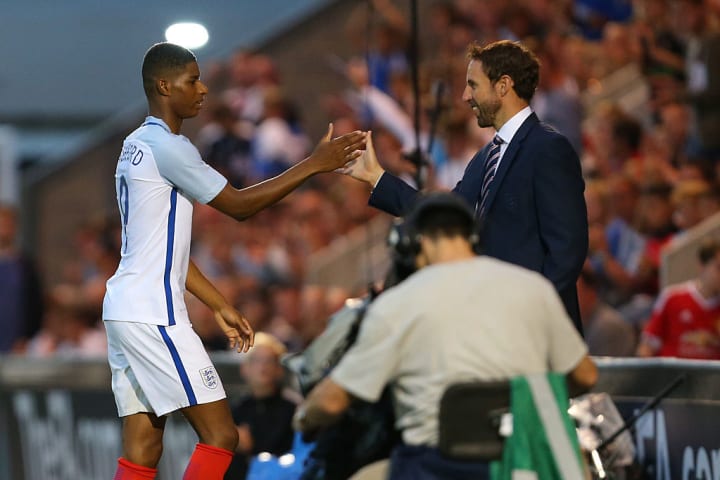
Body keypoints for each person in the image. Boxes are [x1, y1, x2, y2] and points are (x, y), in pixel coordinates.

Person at [102, 42, 365, 480]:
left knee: (144, 447)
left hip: (123, 309)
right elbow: (240, 205)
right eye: (192, 80)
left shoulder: (134, 145)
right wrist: (314, 165)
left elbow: (162, 252)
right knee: (222, 436)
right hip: (153, 314)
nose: (203, 89)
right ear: (165, 86)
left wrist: (219, 304)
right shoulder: (170, 147)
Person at [293, 192, 597, 480]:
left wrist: (304, 417)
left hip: (435, 468)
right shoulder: (534, 288)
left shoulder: (396, 304)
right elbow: (584, 376)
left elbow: (332, 402)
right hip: (526, 463)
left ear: (411, 244)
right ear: (473, 238)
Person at [341, 40, 588, 332]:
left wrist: (530, 313)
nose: (464, 95)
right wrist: (375, 176)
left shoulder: (547, 148)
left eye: (473, 85)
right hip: (494, 331)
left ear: (503, 86)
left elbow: (567, 250)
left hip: (538, 331)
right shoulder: (484, 158)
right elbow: (443, 217)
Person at [226, 333, 298, 480]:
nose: (263, 366)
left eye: (269, 361)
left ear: (279, 369)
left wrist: (249, 444)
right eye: (256, 360)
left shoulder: (292, 408)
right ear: (245, 368)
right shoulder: (236, 409)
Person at [636, 238, 720, 360]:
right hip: (673, 376)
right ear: (702, 266)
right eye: (718, 268)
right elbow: (647, 346)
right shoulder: (672, 298)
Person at [0, 204, 43, 353]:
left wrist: (27, 337)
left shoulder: (25, 265)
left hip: (16, 345)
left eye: (7, 224)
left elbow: (35, 304)